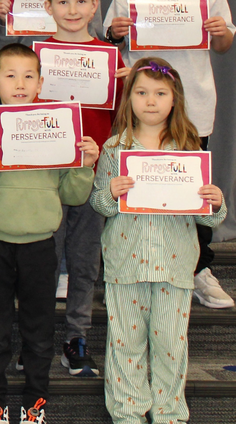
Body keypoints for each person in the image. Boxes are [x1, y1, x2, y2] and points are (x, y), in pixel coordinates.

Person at [103, 0, 235, 310]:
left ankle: (199, 270)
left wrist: (218, 32)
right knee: (138, 181)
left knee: (191, 186)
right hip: (140, 106)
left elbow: (226, 42)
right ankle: (135, 260)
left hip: (192, 104)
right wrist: (116, 30)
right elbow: (110, 35)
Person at [0, 44, 99, 424]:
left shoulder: (57, 131)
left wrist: (85, 165)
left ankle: (35, 404)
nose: (20, 84)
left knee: (39, 331)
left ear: (41, 82)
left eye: (28, 76)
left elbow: (73, 195)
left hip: (40, 246)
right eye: (10, 76)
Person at [90, 58, 227, 424]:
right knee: (125, 344)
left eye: (160, 93)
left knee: (170, 344)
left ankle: (169, 414)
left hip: (174, 262)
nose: (150, 100)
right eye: (141, 92)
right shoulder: (114, 148)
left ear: (174, 98)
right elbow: (98, 201)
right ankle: (128, 414)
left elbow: (208, 215)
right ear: (129, 98)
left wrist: (215, 201)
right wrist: (111, 193)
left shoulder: (189, 149)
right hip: (125, 263)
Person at [34, 0, 128, 378]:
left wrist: (125, 81)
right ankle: (35, 342)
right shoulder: (35, 57)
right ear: (48, 6)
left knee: (85, 260)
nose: (72, 10)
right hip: (46, 175)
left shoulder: (114, 61)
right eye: (63, 1)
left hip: (93, 172)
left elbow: (123, 119)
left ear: (94, 6)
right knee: (44, 260)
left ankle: (76, 338)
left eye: (81, 1)